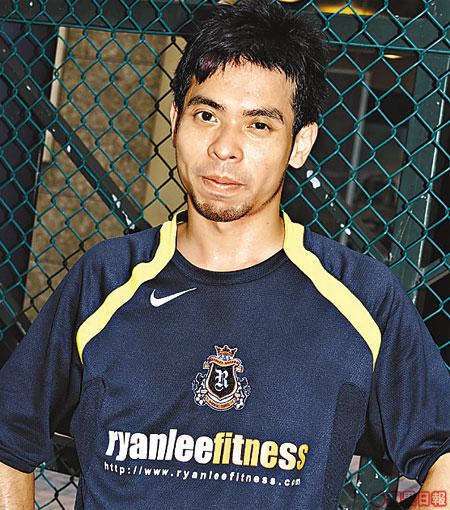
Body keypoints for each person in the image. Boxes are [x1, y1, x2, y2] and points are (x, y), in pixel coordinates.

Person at [0, 1, 449, 508]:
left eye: (259, 125)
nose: (224, 147)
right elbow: (8, 442)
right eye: (207, 115)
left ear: (300, 144)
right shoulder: (107, 279)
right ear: (176, 121)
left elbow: (443, 455)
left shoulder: (360, 297)